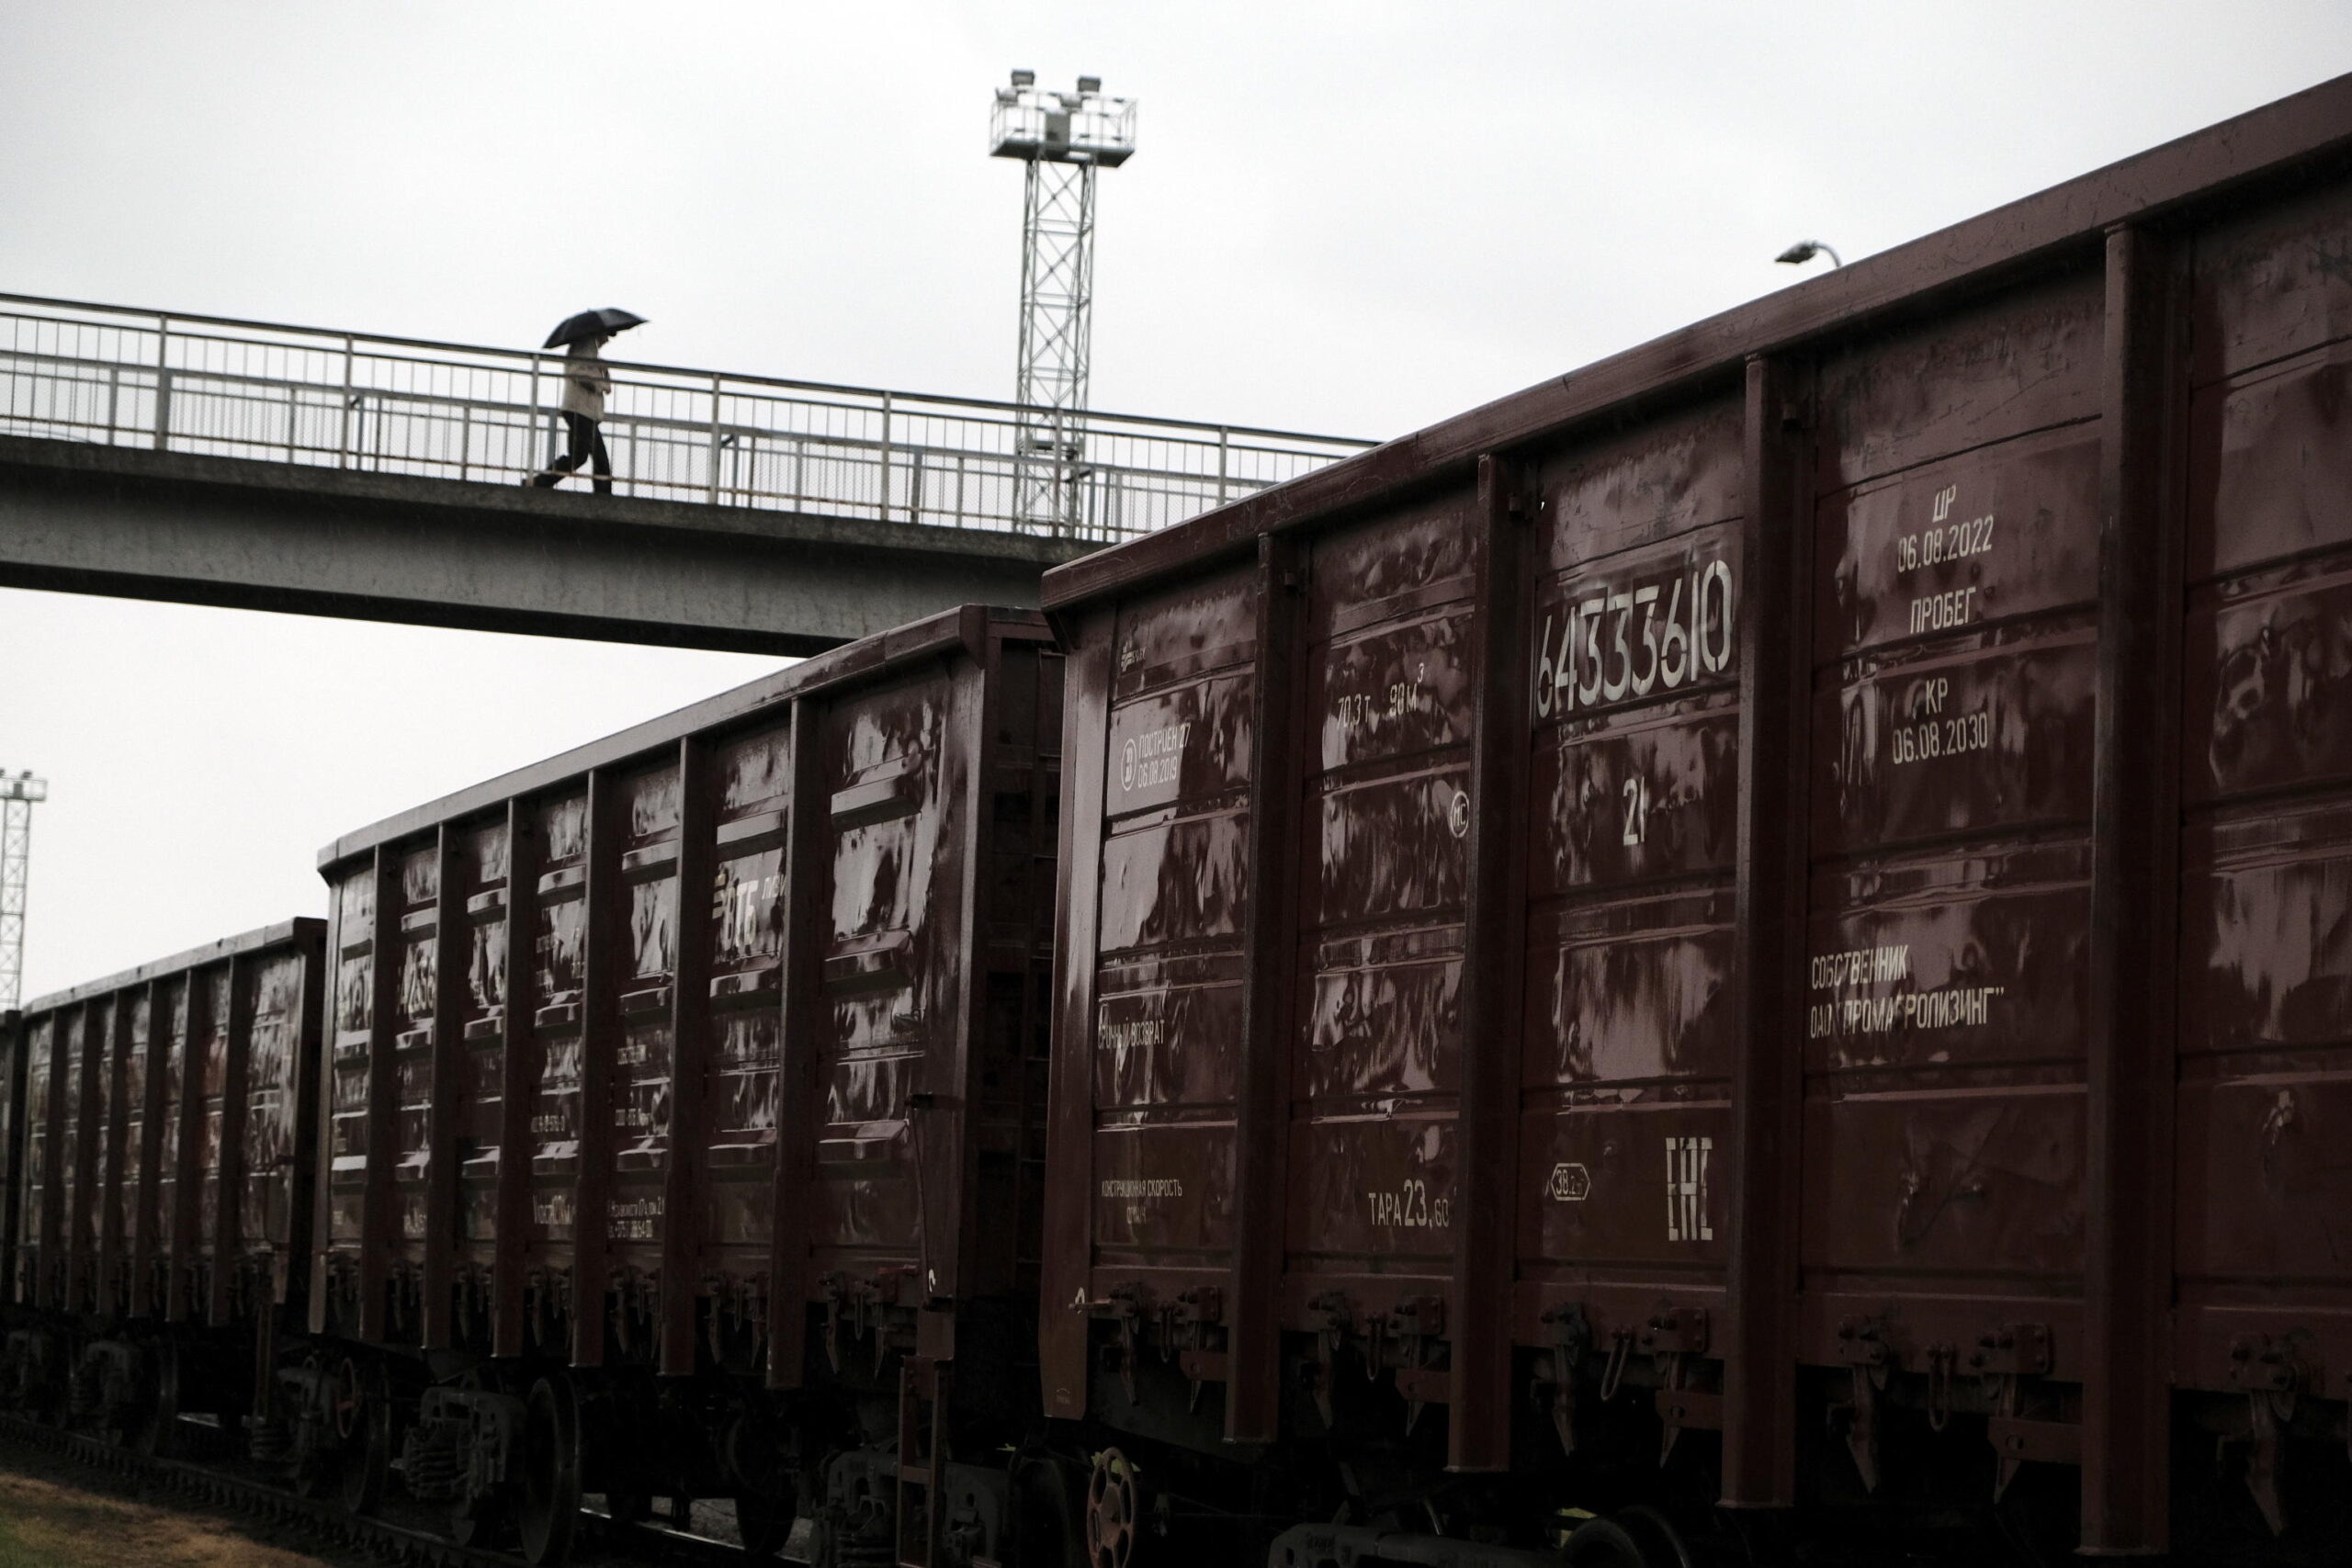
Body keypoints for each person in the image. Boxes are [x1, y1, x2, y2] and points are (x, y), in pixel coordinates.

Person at [531, 333, 615, 493]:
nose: (608, 339)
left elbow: (599, 382)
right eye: (608, 334)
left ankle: (540, 482)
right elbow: (577, 372)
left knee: (578, 457)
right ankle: (604, 497)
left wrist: (604, 371)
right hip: (581, 411)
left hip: (582, 411)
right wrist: (598, 384)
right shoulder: (584, 347)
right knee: (600, 458)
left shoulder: (591, 352)